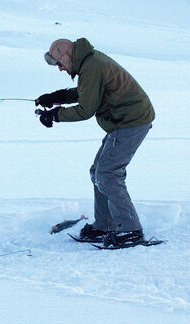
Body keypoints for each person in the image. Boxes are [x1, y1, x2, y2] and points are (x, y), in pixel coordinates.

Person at [35, 38, 155, 247]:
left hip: (131, 121)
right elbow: (88, 92)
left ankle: (130, 229)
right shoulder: (89, 62)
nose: (61, 69)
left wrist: (56, 115)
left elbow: (86, 109)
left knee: (108, 173)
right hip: (124, 120)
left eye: (60, 64)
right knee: (98, 171)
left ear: (66, 57)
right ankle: (105, 225)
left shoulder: (91, 66)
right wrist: (57, 97)